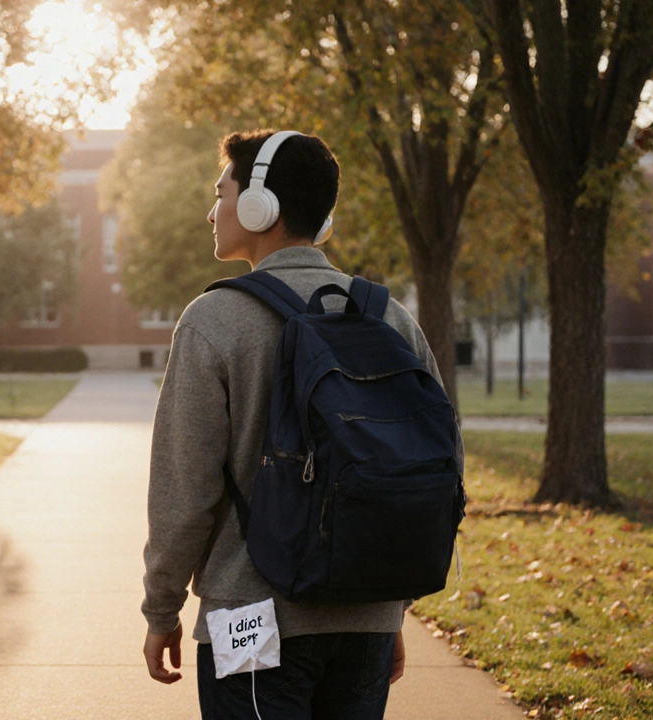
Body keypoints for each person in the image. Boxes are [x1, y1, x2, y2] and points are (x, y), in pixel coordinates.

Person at [141, 129, 460, 719]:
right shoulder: (389, 316)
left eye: (222, 193)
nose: (213, 211)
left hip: (248, 620)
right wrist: (389, 608)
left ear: (262, 206)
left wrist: (162, 610)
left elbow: (183, 490)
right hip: (366, 621)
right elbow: (438, 470)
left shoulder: (213, 320)